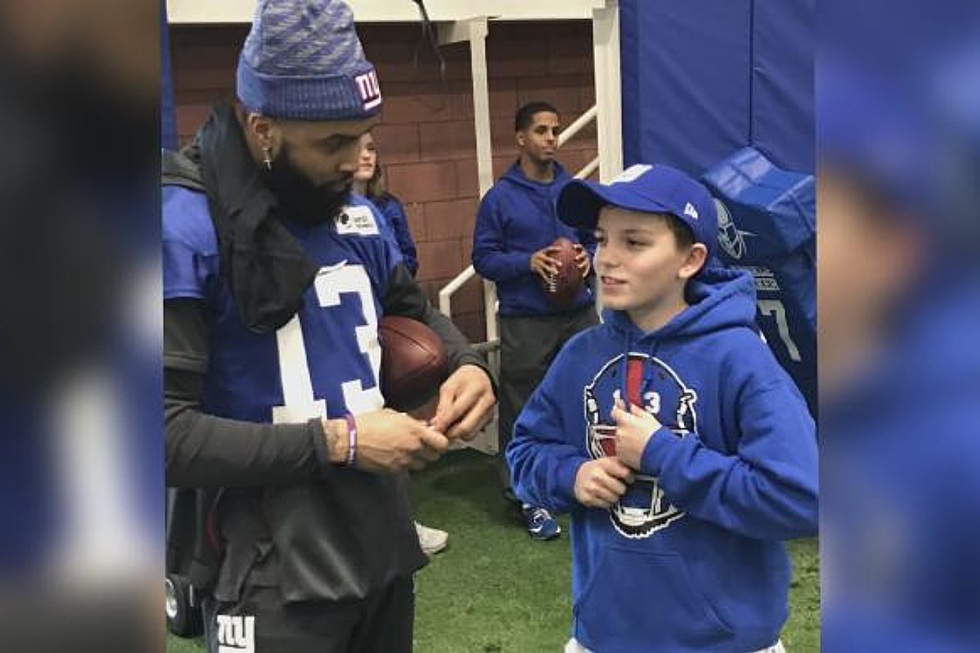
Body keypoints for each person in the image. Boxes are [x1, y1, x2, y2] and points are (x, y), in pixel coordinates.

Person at [162, 2, 496, 652]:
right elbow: (161, 434)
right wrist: (339, 442)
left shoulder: (359, 220)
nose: (357, 161)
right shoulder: (184, 227)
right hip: (267, 565)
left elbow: (412, 309)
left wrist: (467, 363)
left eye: (364, 135)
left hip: (379, 545)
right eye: (333, 143)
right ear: (262, 128)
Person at [506, 164, 818, 652]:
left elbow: (800, 497)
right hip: (602, 638)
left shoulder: (740, 360)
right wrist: (570, 475)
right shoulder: (580, 356)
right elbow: (523, 455)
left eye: (634, 242)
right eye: (600, 238)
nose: (606, 259)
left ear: (690, 259)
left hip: (725, 644)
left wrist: (663, 454)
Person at [471, 101, 596, 541]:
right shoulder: (499, 198)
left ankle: (585, 482)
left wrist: (587, 257)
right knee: (523, 410)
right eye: (541, 130)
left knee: (588, 399)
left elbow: (594, 240)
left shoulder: (574, 190)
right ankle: (527, 497)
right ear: (520, 137)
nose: (550, 138)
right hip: (527, 320)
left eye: (555, 130)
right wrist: (529, 262)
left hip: (579, 313)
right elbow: (482, 258)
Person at [351, 130, 445, 555]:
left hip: (385, 320)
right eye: (358, 146)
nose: (366, 155)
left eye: (372, 147)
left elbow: (404, 262)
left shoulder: (384, 208)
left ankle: (400, 521)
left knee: (388, 419)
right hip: (346, 327)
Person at [352, 131, 420, 277]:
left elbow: (409, 259)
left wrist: (392, 277)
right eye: (358, 149)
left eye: (371, 149)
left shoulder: (390, 205)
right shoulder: (330, 208)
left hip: (389, 293)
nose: (366, 156)